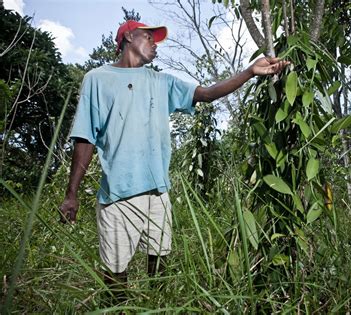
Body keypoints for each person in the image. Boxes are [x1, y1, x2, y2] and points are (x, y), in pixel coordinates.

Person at [59, 20, 289, 300]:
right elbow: (85, 138)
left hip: (158, 192)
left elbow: (206, 94)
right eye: (149, 37)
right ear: (129, 37)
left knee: (160, 264)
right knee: (116, 274)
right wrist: (71, 195)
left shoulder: (161, 81)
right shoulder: (97, 78)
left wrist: (251, 71)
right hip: (117, 196)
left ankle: (157, 305)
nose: (155, 44)